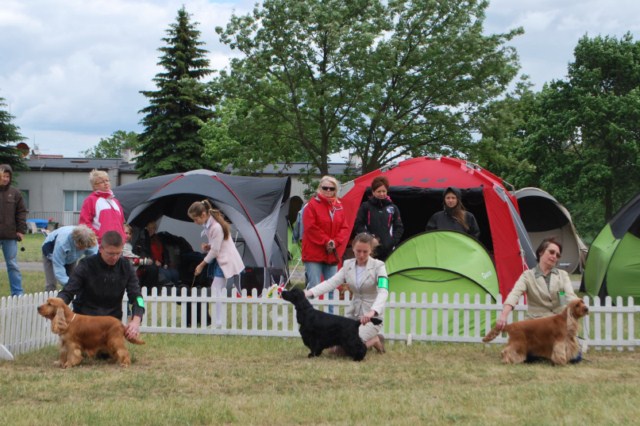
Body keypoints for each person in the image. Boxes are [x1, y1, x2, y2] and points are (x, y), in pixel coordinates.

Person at [495, 237, 585, 361]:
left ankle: (550, 353)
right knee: (529, 356)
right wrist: (504, 315)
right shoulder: (527, 276)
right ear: (541, 252)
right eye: (551, 252)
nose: (554, 256)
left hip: (559, 329)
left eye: (558, 255)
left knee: (575, 358)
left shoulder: (562, 275)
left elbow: (570, 295)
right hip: (537, 329)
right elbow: (514, 295)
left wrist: (580, 304)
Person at [304, 233, 388, 353]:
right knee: (334, 350)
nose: (361, 255)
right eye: (358, 251)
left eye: (365, 252)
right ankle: (369, 339)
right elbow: (331, 283)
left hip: (372, 318)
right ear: (353, 248)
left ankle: (374, 339)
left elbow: (383, 291)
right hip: (352, 316)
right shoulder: (347, 265)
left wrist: (372, 312)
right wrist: (309, 293)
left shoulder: (379, 266)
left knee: (349, 348)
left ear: (371, 250)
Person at [57, 230, 144, 341]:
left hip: (110, 326)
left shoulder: (126, 266)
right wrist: (58, 305)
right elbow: (68, 291)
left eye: (118, 253)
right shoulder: (85, 265)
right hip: (84, 323)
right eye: (110, 254)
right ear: (100, 249)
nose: (115, 257)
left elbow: (137, 297)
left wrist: (136, 321)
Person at [188, 199, 245, 327]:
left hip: (225, 260)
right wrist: (209, 246)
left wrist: (201, 265)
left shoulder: (216, 227)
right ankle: (218, 320)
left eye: (195, 219)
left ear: (203, 214)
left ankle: (218, 322)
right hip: (221, 259)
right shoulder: (210, 224)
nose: (195, 222)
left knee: (216, 289)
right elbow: (216, 245)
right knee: (217, 289)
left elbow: (215, 251)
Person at [301, 176, 350, 290]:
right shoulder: (311, 205)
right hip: (313, 253)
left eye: (331, 188)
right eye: (325, 188)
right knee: (315, 287)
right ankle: (311, 303)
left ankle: (330, 305)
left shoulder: (339, 206)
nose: (328, 190)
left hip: (331, 253)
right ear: (320, 188)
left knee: (332, 287)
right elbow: (310, 227)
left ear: (335, 190)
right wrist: (327, 241)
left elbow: (344, 228)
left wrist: (335, 242)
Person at [354, 176, 404, 261]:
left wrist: (392, 242)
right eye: (379, 191)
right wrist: (370, 239)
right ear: (373, 192)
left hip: (388, 250)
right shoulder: (366, 206)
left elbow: (399, 227)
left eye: (384, 191)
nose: (381, 194)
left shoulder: (393, 208)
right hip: (370, 248)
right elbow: (358, 225)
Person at [42, 224, 98, 292]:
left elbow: (93, 260)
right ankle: (49, 294)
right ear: (76, 242)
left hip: (71, 256)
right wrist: (70, 284)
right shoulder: (62, 243)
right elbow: (58, 267)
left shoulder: (90, 241)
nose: (84, 249)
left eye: (86, 247)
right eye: (82, 247)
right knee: (51, 283)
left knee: (73, 278)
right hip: (51, 251)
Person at [0, 164, 27, 296]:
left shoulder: (15, 193)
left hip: (10, 236)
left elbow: (21, 212)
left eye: (7, 176)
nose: (5, 179)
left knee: (12, 265)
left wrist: (20, 230)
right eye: (3, 176)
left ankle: (17, 294)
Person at [79, 169, 126, 242]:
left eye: (107, 180)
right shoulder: (91, 200)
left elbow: (121, 223)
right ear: (94, 186)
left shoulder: (115, 202)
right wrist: (100, 236)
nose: (106, 183)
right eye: (102, 182)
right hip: (101, 244)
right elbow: (84, 224)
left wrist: (123, 237)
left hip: (118, 244)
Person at [133, 220, 180, 287]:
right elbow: (144, 253)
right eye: (149, 228)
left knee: (175, 273)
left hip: (162, 264)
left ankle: (176, 289)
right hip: (152, 264)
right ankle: (167, 288)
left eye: (153, 228)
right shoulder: (143, 240)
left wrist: (166, 263)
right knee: (167, 274)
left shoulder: (158, 239)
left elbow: (165, 253)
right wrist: (154, 261)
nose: (151, 230)